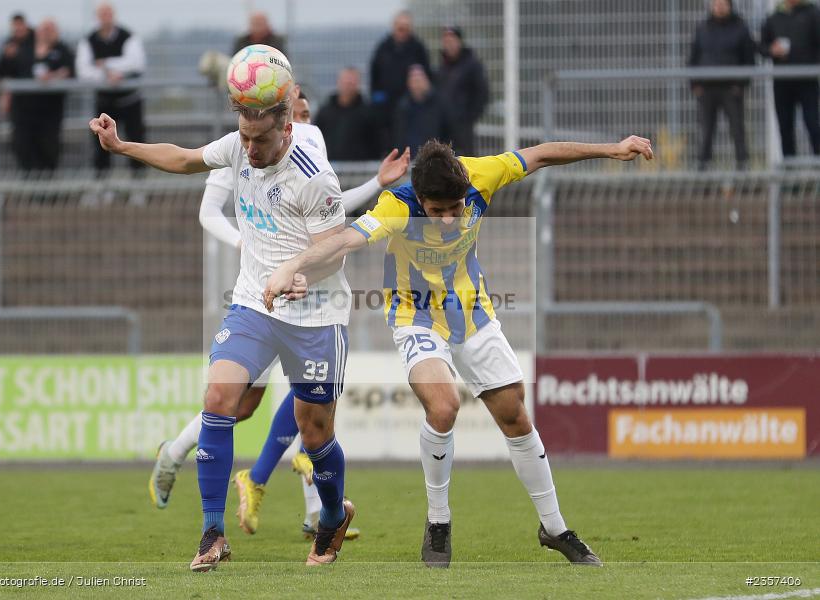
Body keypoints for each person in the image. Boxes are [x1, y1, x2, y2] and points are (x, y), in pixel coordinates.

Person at [264, 135, 655, 568]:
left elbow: (542, 154)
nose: (449, 220)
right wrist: (291, 266)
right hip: (415, 318)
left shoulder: (479, 174)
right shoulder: (398, 205)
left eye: (455, 210)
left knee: (515, 416)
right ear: (421, 200)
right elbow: (345, 240)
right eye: (437, 212)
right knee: (444, 406)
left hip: (474, 315)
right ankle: (438, 523)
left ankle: (555, 528)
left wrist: (613, 150)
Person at [91, 67, 404, 567]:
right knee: (220, 396)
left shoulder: (313, 174)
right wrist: (123, 146)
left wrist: (301, 271)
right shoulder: (238, 146)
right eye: (244, 136)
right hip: (254, 303)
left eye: (260, 140)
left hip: (316, 312)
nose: (250, 149)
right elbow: (187, 159)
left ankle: (330, 516)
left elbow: (335, 251)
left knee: (315, 428)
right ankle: (212, 533)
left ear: (287, 128)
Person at [77, 2, 147, 173]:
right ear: (97, 16)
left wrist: (106, 64)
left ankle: (139, 187)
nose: (106, 17)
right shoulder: (88, 40)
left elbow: (137, 63)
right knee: (101, 146)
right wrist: (107, 75)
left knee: (136, 143)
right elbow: (83, 70)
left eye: (108, 13)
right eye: (102, 13)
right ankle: (103, 188)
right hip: (104, 104)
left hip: (130, 101)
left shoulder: (128, 36)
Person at [0, 19, 73, 171]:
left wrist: (54, 76)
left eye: (50, 29)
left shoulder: (63, 50)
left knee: (49, 151)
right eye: (44, 29)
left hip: (50, 113)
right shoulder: (23, 49)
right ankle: (27, 189)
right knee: (22, 148)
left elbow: (70, 72)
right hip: (22, 112)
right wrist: (6, 57)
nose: (47, 33)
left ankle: (48, 191)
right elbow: (4, 72)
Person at [688, 0, 756, 170]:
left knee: (737, 131)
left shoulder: (740, 27)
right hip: (707, 88)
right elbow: (693, 56)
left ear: (729, 6)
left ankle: (743, 170)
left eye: (722, 3)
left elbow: (749, 58)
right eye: (716, 3)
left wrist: (741, 84)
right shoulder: (703, 27)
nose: (718, 7)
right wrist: (694, 83)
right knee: (706, 132)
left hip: (731, 88)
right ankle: (703, 173)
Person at [761, 0, 820, 157]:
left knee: (814, 126)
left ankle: (817, 172)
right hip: (782, 82)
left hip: (807, 80)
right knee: (785, 129)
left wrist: (810, 63)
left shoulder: (813, 13)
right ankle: (790, 178)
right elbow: (762, 46)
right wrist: (771, 50)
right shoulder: (773, 18)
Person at [369, 11, 431, 150]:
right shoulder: (383, 49)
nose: (403, 31)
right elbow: (375, 78)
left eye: (406, 27)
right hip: (387, 111)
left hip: (413, 110)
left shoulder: (418, 49)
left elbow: (427, 77)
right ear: (394, 27)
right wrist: (378, 102)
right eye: (400, 27)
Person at [436, 26, 489, 156]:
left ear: (459, 41)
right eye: (446, 41)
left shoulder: (472, 65)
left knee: (466, 162)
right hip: (444, 126)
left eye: (452, 40)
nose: (449, 45)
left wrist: (469, 116)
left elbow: (482, 93)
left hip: (463, 126)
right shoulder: (442, 68)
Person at [316, 67, 379, 161]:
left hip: (360, 170)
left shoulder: (368, 113)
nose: (348, 87)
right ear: (338, 82)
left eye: (351, 83)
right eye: (345, 82)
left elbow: (376, 142)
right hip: (329, 167)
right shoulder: (325, 111)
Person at [394, 65, 449, 156]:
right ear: (408, 83)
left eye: (419, 80)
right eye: (414, 80)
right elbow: (399, 135)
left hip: (434, 158)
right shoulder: (402, 107)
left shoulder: (439, 105)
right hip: (409, 158)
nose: (417, 84)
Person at [0, 14, 35, 121]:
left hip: (36, 97)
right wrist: (7, 57)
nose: (18, 29)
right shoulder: (9, 44)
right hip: (18, 100)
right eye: (15, 26)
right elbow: (0, 71)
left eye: (20, 25)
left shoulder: (36, 41)